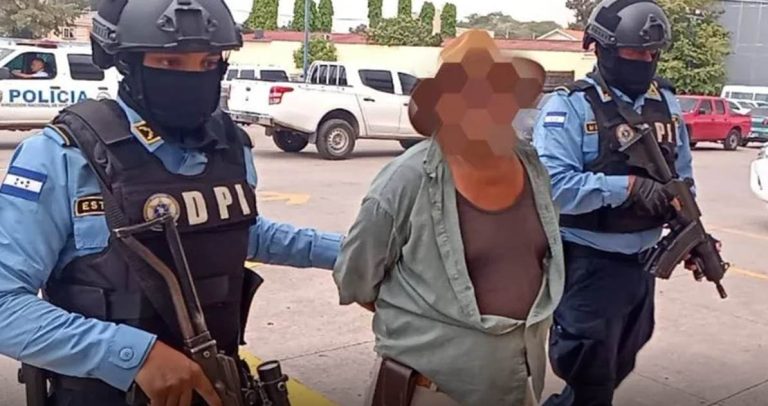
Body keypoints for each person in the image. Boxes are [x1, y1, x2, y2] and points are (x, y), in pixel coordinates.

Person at [0, 1, 342, 405]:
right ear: (127, 63)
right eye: (170, 62)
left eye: (208, 63)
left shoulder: (229, 146)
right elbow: (6, 305)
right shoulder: (61, 156)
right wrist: (131, 355)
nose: (193, 79)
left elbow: (239, 232)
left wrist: (350, 253)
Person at [333, 30, 565, 406]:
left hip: (515, 386)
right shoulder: (405, 179)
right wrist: (433, 325)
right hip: (429, 391)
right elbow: (356, 279)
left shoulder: (533, 168)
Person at [532, 0, 705, 404]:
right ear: (602, 48)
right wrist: (627, 188)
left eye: (652, 53)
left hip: (642, 265)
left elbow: (682, 178)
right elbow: (550, 187)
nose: (645, 61)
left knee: (619, 364)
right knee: (590, 378)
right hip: (589, 264)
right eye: (634, 52)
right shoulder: (569, 106)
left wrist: (693, 233)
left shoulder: (665, 103)